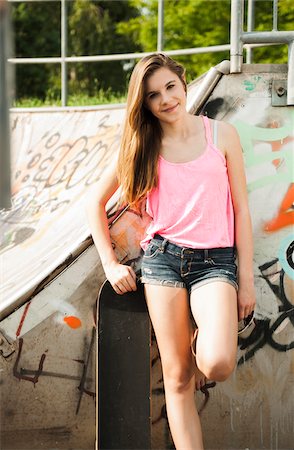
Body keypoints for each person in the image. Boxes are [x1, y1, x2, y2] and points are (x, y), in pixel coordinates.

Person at [86, 53, 256, 450]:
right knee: (178, 379)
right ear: (143, 104)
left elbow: (242, 210)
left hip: (215, 262)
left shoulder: (221, 135)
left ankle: (199, 336)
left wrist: (245, 280)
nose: (165, 99)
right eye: (152, 96)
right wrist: (110, 263)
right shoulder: (143, 144)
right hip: (163, 262)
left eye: (170, 87)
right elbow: (94, 203)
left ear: (183, 84)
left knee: (217, 363)